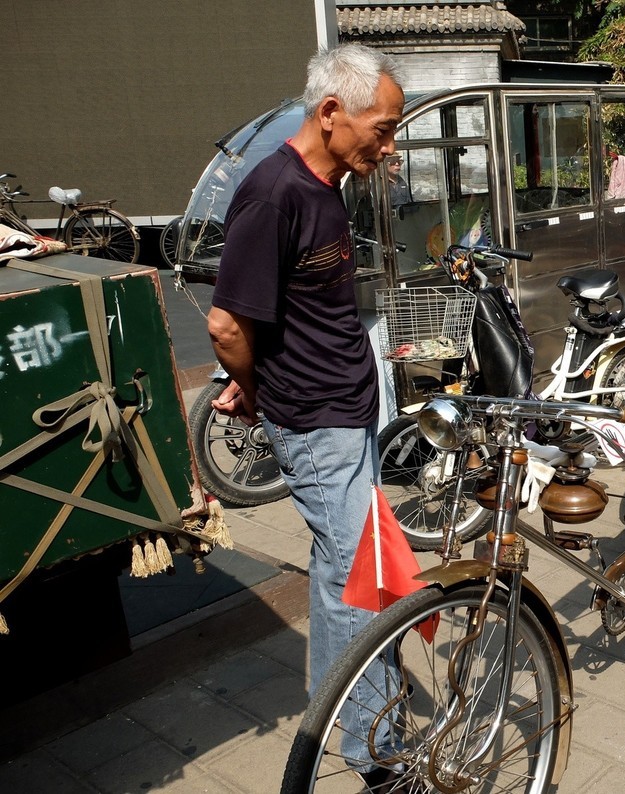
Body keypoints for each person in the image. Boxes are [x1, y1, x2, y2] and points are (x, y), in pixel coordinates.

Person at [205, 43, 404, 784]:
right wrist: (254, 389)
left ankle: (342, 711)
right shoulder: (274, 192)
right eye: (381, 129)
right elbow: (227, 324)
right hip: (316, 424)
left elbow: (280, 308)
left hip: (346, 410)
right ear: (330, 114)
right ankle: (380, 751)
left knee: (338, 574)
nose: (387, 146)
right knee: (365, 579)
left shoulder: (325, 187)